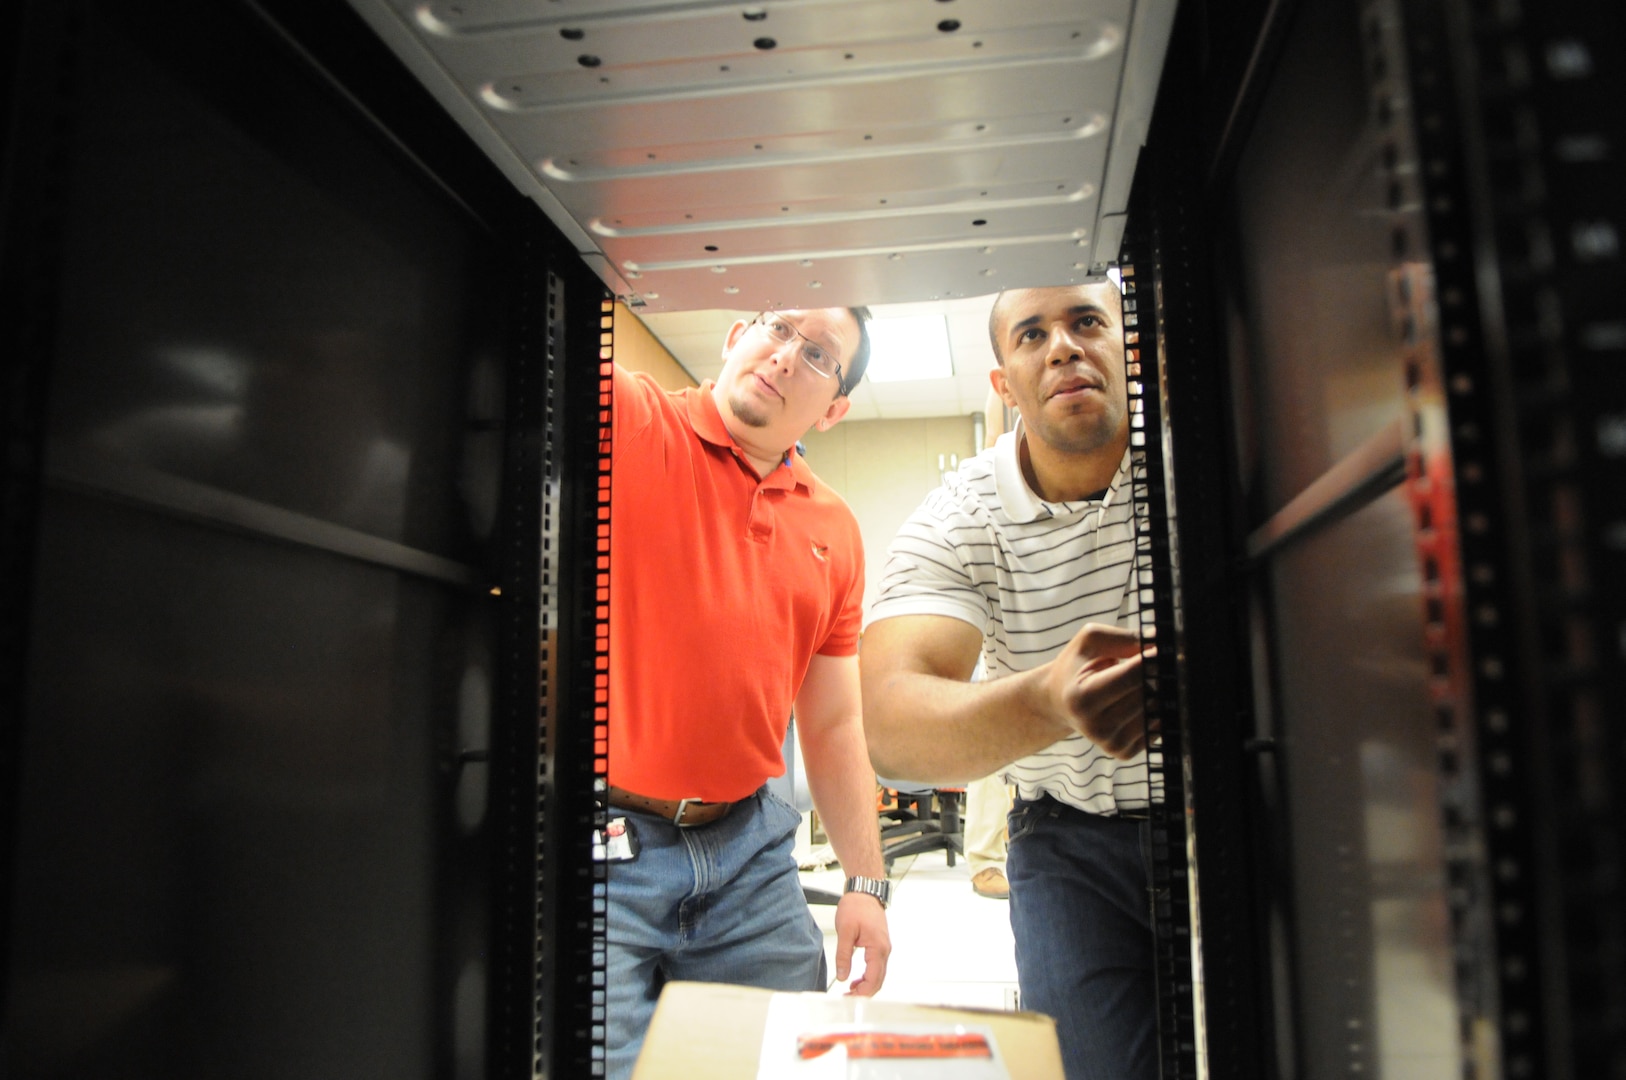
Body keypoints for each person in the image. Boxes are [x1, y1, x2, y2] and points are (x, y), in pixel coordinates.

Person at [860, 280, 1156, 1080]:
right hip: (1070, 844)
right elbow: (892, 726)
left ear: (1131, 347)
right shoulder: (963, 514)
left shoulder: (1195, 456)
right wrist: (1046, 699)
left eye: (1087, 322)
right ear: (1005, 382)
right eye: (1032, 335)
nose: (1062, 346)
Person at [604, 307, 892, 1080]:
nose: (787, 355)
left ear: (834, 411)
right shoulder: (634, 423)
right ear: (735, 336)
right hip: (607, 844)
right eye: (776, 326)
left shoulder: (835, 528)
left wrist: (866, 884)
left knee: (777, 1066)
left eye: (819, 354)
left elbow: (832, 722)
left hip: (749, 853)